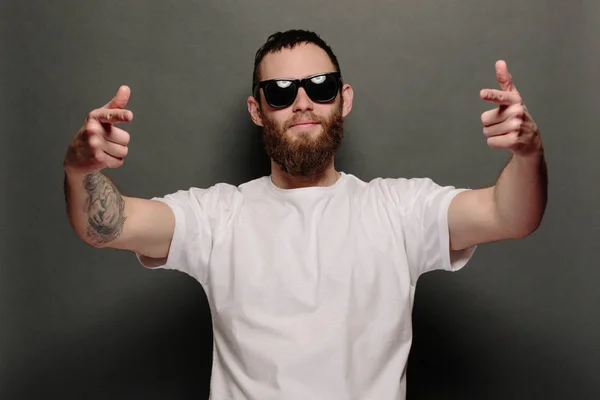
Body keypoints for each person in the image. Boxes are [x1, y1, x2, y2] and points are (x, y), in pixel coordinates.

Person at [63, 29, 547, 400]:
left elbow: (511, 215)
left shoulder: (399, 209)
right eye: (279, 92)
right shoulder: (217, 216)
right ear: (257, 110)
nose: (302, 102)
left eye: (320, 86)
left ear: (344, 98)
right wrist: (81, 169)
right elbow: (108, 225)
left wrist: (528, 154)